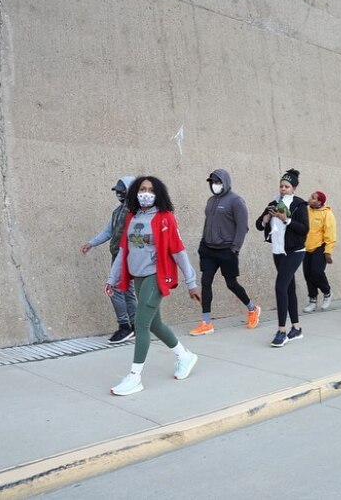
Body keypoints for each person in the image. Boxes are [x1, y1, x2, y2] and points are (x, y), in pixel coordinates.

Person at [105, 176, 202, 396]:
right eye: (142, 189)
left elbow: (178, 251)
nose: (145, 193)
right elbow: (123, 250)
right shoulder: (132, 217)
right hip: (138, 276)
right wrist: (112, 278)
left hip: (156, 276)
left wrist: (191, 282)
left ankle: (134, 377)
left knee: (140, 325)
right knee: (155, 323)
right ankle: (185, 356)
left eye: (150, 189)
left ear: (158, 193)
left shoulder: (165, 218)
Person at [190, 169, 259, 336]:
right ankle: (206, 322)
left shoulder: (236, 201)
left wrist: (234, 249)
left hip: (227, 250)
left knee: (231, 283)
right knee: (206, 282)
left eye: (218, 182)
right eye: (212, 182)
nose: (215, 185)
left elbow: (242, 227)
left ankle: (252, 309)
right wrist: (202, 243)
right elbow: (208, 223)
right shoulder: (210, 201)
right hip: (208, 249)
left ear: (225, 182)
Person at [255, 169, 310, 347]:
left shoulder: (299, 205)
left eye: (287, 186)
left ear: (293, 188)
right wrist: (265, 218)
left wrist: (286, 219)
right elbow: (258, 225)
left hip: (295, 251)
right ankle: (297, 328)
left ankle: (282, 331)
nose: (283, 189)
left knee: (280, 287)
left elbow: (304, 229)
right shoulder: (273, 203)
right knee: (289, 288)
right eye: (281, 186)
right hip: (278, 251)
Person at [81, 176, 138, 344]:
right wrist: (91, 243)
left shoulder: (136, 212)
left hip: (128, 257)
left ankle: (124, 327)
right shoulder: (118, 211)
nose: (119, 194)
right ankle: (136, 328)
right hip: (117, 256)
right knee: (127, 292)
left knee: (113, 289)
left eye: (122, 191)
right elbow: (108, 232)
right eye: (117, 191)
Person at [303, 191, 337, 313]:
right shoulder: (306, 210)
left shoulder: (327, 214)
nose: (310, 198)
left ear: (319, 202)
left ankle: (327, 293)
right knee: (307, 274)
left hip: (320, 247)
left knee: (316, 272)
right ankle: (312, 301)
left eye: (313, 198)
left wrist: (328, 252)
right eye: (311, 196)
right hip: (306, 247)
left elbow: (330, 234)